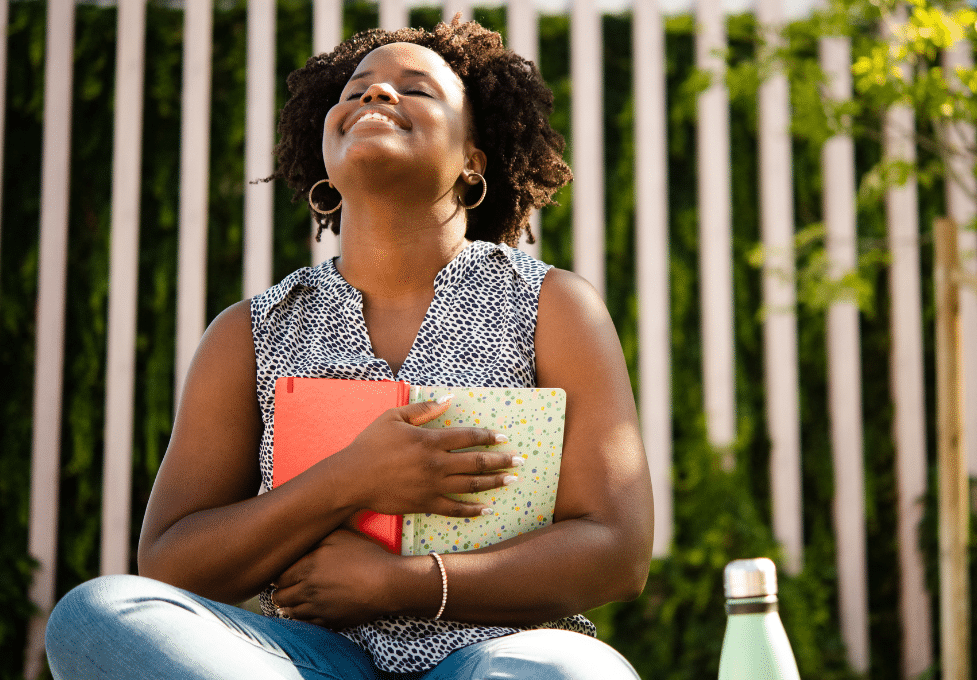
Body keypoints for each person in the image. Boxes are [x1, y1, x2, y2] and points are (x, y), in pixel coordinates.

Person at [45, 18, 653, 680]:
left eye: (414, 88)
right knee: (97, 613)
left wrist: (401, 583)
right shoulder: (252, 332)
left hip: (500, 652)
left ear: (473, 158)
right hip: (304, 661)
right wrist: (347, 481)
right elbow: (173, 560)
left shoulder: (551, 306)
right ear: (325, 156)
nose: (375, 97)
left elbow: (617, 550)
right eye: (357, 90)